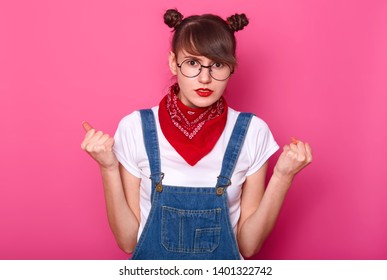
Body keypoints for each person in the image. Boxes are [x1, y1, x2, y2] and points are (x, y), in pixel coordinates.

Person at [81, 8, 312, 260]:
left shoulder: (252, 132)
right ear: (173, 62)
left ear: (232, 67)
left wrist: (283, 175)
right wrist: (108, 167)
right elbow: (127, 241)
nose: (205, 78)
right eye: (192, 63)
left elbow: (248, 246)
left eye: (218, 64)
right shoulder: (135, 127)